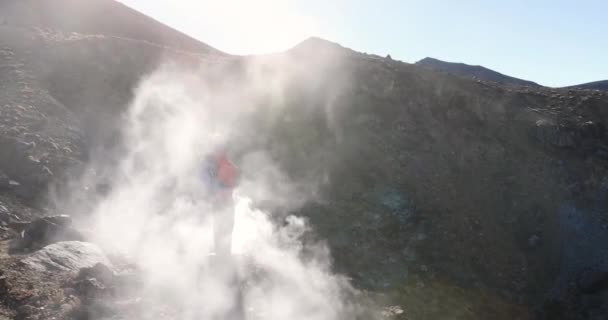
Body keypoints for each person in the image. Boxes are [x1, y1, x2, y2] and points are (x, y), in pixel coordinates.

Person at [202, 147, 238, 258]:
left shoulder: (227, 163)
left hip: (228, 200)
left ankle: (225, 253)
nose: (220, 150)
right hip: (219, 200)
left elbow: (233, 180)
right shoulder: (209, 164)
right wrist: (215, 192)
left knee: (228, 227)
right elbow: (205, 180)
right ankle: (220, 254)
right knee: (219, 227)